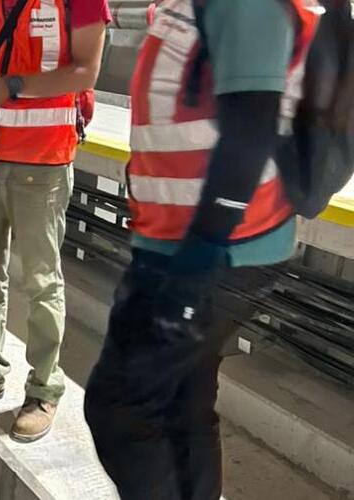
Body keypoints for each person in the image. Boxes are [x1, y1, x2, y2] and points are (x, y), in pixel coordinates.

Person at [83, 0, 321, 498]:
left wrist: (195, 266)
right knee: (183, 406)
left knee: (120, 407)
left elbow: (250, 130)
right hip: (185, 242)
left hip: (216, 250)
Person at [0, 0, 110, 442]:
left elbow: (86, 72)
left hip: (43, 160)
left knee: (40, 281)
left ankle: (44, 389)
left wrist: (12, 85)